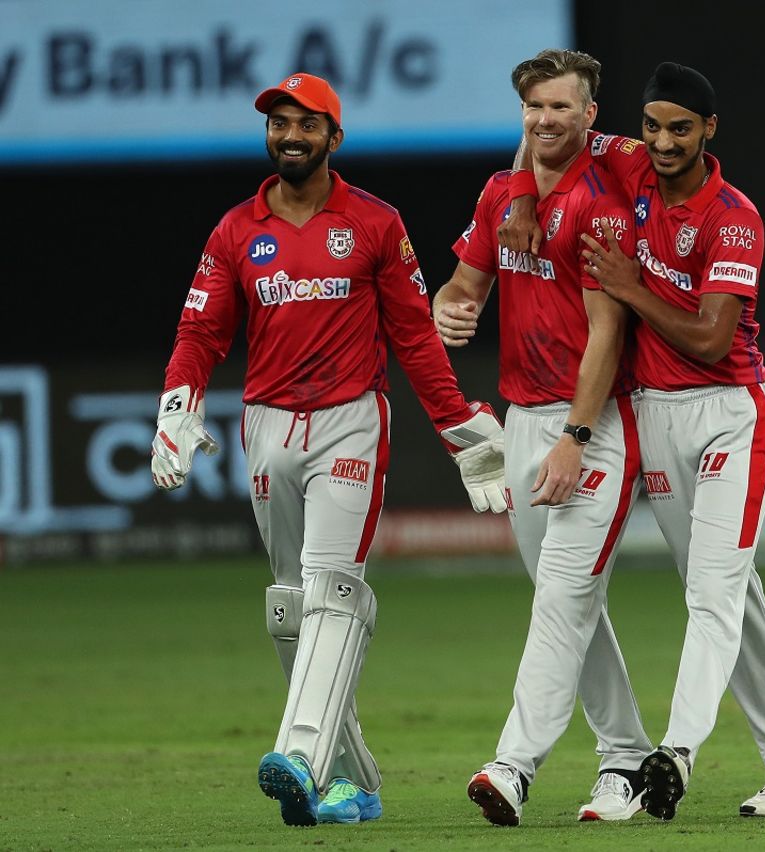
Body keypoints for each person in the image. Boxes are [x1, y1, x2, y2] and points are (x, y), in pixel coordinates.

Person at [149, 72, 507, 828]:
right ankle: (358, 781)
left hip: (350, 419)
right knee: (291, 606)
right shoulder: (236, 230)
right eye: (278, 123)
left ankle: (302, 758)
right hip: (267, 427)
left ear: (333, 138)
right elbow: (201, 332)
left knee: (331, 587)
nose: (289, 136)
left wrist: (460, 432)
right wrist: (178, 404)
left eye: (305, 124)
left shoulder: (375, 223)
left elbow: (413, 334)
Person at [500, 61, 765, 820]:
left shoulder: (734, 216)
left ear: (709, 130)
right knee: (731, 595)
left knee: (711, 595)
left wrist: (627, 286)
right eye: (652, 125)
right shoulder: (628, 161)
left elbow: (713, 339)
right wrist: (522, 194)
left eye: (679, 128)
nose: (661, 141)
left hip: (730, 414)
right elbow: (546, 136)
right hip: (654, 414)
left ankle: (674, 752)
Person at [430, 49, 653, 827]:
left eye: (562, 107)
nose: (547, 120)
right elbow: (462, 286)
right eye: (535, 108)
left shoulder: (604, 201)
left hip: (589, 426)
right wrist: (449, 312)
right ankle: (626, 763)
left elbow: (607, 332)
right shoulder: (502, 194)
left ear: (591, 116)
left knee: (562, 598)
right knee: (571, 603)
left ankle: (512, 767)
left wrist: (576, 435)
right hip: (520, 424)